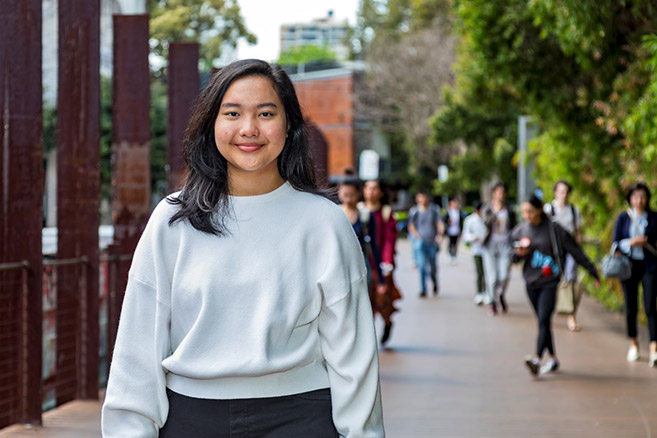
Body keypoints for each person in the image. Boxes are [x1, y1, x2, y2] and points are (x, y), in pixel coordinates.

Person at [101, 59, 384, 437]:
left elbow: (354, 355)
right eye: (232, 113)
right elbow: (137, 350)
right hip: (189, 419)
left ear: (289, 125)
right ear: (211, 124)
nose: (249, 129)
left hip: (301, 417)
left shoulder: (324, 222)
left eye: (266, 113)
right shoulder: (173, 221)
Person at [512, 195, 599, 377]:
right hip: (531, 282)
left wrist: (592, 270)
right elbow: (513, 257)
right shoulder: (521, 230)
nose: (527, 215)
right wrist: (519, 253)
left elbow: (575, 250)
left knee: (544, 319)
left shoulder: (553, 229)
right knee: (543, 322)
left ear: (539, 210)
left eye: (530, 211)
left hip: (550, 282)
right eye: (524, 212)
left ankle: (536, 358)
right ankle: (553, 358)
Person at [612, 183, 657, 367]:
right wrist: (631, 242)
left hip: (650, 266)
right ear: (630, 198)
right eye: (636, 196)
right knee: (630, 306)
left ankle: (654, 347)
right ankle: (633, 343)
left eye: (643, 196)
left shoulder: (654, 217)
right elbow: (615, 243)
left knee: (650, 307)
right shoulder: (623, 217)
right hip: (628, 266)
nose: (639, 200)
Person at [361, 179, 402, 345]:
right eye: (368, 188)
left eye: (375, 188)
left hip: (382, 266)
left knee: (384, 299)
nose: (371, 191)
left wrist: (387, 261)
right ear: (363, 191)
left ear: (380, 192)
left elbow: (390, 239)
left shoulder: (385, 212)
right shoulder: (359, 211)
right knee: (366, 302)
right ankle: (367, 339)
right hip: (363, 264)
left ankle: (387, 323)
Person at [544, 181, 584, 331]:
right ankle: (551, 308)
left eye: (566, 191)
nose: (564, 194)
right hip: (553, 250)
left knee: (570, 279)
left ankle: (571, 315)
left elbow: (578, 231)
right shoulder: (549, 209)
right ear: (555, 192)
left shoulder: (574, 210)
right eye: (561, 191)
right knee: (553, 279)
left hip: (570, 249)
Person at [482, 182, 517, 315]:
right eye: (498, 192)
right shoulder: (488, 208)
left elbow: (515, 227)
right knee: (492, 277)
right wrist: (495, 212)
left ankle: (500, 294)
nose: (500, 195)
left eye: (502, 192)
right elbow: (485, 222)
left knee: (505, 275)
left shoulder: (509, 209)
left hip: (506, 244)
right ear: (494, 193)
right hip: (490, 244)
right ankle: (492, 301)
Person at [408, 190, 444, 297]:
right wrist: (416, 235)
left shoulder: (434, 210)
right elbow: (411, 225)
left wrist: (440, 235)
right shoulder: (414, 211)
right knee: (422, 266)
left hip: (432, 241)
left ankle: (434, 282)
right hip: (420, 242)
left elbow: (439, 223)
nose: (422, 200)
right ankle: (423, 288)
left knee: (432, 266)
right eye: (420, 197)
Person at [463, 201, 487, 305]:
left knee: (488, 273)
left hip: (488, 250)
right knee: (480, 272)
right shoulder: (470, 220)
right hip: (477, 250)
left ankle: (488, 293)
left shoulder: (487, 218)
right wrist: (473, 238)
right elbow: (466, 235)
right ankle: (480, 292)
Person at [444, 197, 466, 263]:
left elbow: (461, 220)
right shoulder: (448, 212)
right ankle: (450, 254)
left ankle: (454, 255)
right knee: (451, 243)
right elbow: (444, 220)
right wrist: (448, 222)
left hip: (457, 230)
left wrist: (461, 230)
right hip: (450, 230)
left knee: (456, 243)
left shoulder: (459, 212)